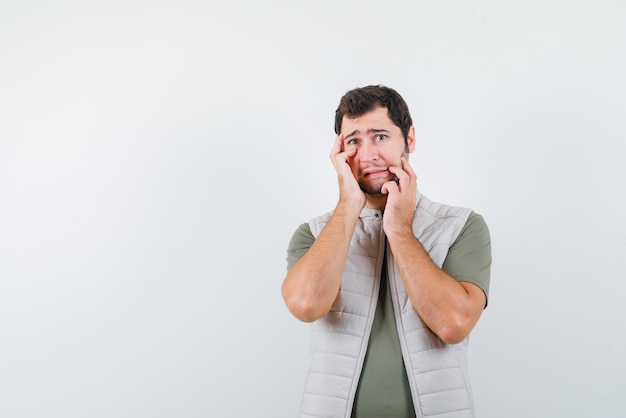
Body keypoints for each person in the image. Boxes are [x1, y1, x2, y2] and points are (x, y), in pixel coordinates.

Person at [281, 85, 491, 418]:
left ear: (409, 139)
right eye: (354, 141)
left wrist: (398, 228)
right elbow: (306, 304)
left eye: (380, 137)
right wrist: (349, 203)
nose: (367, 155)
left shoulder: (460, 226)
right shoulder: (314, 234)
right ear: (338, 152)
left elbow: (453, 324)